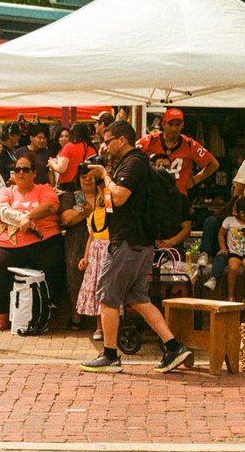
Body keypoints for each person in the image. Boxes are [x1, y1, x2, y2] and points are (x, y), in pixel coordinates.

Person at [80, 120, 192, 374]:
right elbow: (112, 203)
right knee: (138, 298)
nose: (104, 147)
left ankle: (110, 356)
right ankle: (174, 347)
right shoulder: (134, 163)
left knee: (107, 296)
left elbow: (119, 197)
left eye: (107, 141)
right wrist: (104, 179)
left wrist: (104, 174)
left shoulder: (132, 163)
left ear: (122, 140)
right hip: (139, 243)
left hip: (128, 242)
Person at [0, 156, 65, 331]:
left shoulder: (44, 189)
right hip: (7, 244)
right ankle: (2, 312)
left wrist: (28, 216)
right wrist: (21, 218)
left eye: (26, 169)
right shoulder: (6, 192)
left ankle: (49, 310)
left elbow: (50, 206)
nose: (21, 173)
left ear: (34, 173)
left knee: (54, 261)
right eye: (17, 170)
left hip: (42, 241)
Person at [135, 108, 219, 195]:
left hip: (178, 197)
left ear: (182, 125)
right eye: (170, 124)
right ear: (163, 124)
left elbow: (214, 164)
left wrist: (194, 180)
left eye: (177, 125)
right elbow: (130, 157)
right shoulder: (149, 141)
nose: (174, 129)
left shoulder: (190, 144)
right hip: (153, 195)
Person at [58, 167, 99, 329]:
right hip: (76, 237)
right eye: (84, 176)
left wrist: (81, 211)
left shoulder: (103, 194)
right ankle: (77, 315)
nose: (88, 180)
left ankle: (98, 318)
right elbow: (67, 219)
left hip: (100, 238)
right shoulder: (73, 195)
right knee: (73, 271)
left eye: (91, 177)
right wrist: (87, 211)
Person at [75, 172, 111, 340]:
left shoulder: (110, 208)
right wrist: (85, 257)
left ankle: (111, 325)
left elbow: (108, 196)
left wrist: (105, 186)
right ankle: (99, 327)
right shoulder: (93, 212)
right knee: (97, 287)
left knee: (108, 287)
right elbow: (91, 236)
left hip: (109, 249)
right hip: (96, 251)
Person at [204, 196, 245, 307]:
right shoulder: (229, 221)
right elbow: (221, 234)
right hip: (234, 253)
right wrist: (223, 247)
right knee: (232, 268)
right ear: (242, 213)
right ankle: (231, 296)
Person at [49, 122, 97, 188]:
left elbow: (61, 169)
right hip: (85, 185)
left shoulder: (69, 147)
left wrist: (52, 163)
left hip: (68, 185)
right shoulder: (92, 149)